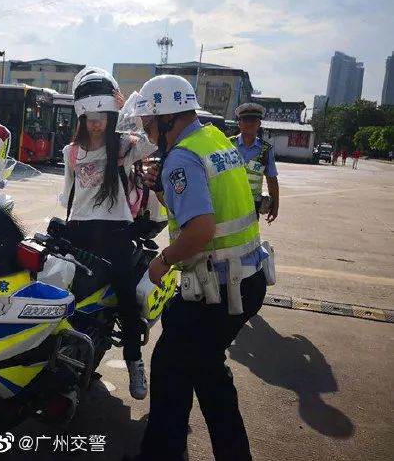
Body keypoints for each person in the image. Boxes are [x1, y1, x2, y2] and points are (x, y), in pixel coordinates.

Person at [128, 74, 267, 461]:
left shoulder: (182, 158)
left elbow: (201, 230)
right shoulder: (214, 140)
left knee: (172, 368)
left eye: (150, 123)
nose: (147, 131)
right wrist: (163, 187)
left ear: (169, 118)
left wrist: (162, 261)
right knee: (206, 372)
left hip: (217, 289)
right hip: (245, 279)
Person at [59, 66, 157, 400]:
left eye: (103, 114)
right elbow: (67, 197)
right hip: (78, 230)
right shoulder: (71, 152)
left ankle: (133, 360)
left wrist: (126, 106)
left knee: (126, 295)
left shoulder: (123, 146)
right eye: (90, 116)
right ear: (81, 117)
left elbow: (150, 142)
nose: (96, 122)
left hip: (115, 231)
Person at [232, 103, 279, 222]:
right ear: (239, 123)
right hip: (229, 201)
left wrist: (275, 206)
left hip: (253, 204)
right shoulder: (227, 145)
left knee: (249, 236)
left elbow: (271, 179)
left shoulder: (266, 150)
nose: (249, 123)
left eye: (253, 120)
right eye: (245, 120)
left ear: (259, 124)